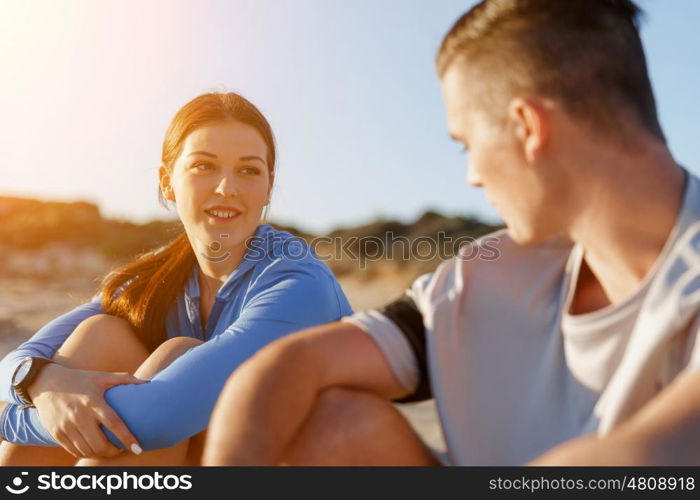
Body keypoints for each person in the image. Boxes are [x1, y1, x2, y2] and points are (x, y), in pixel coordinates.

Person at [201, 0, 700, 466]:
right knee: (331, 423)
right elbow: (290, 366)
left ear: (528, 127)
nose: (473, 178)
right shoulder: (489, 274)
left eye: (466, 145)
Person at [0, 92, 352, 466]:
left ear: (268, 187)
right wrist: (43, 383)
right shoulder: (153, 278)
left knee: (175, 356)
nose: (226, 188)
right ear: (167, 182)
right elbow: (14, 364)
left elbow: (156, 419)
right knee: (99, 334)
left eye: (248, 170)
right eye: (204, 166)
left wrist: (26, 414)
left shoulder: (298, 285)